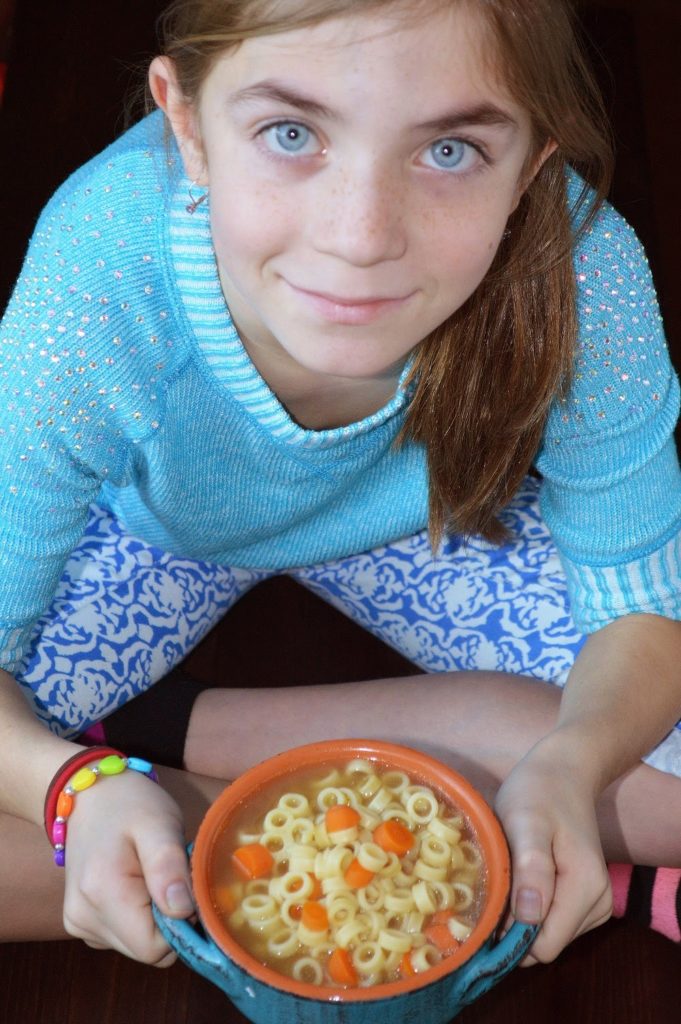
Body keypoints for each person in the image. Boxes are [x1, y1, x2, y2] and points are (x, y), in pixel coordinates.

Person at [1, 0, 680, 973]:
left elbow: (643, 615)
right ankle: (504, 838)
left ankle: (178, 729)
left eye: (449, 150)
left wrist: (575, 767)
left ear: (531, 165)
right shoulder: (96, 277)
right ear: (186, 124)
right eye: (291, 133)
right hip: (150, 534)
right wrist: (68, 781)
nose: (361, 237)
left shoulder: (586, 273)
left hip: (429, 522)